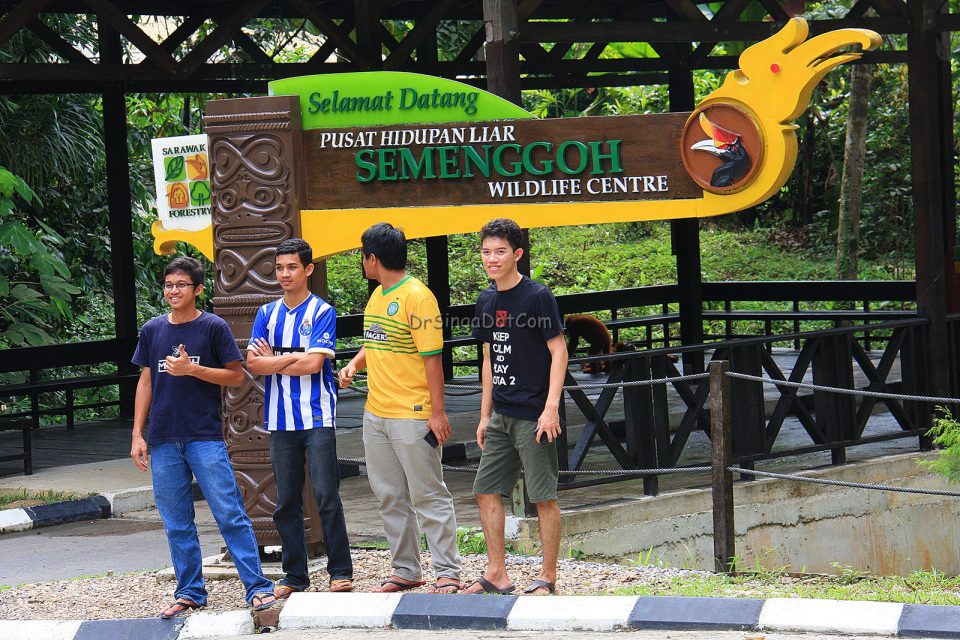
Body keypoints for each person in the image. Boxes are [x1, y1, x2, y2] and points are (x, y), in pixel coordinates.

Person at [130, 256, 278, 618]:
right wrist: (137, 434)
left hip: (204, 437)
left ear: (197, 289)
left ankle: (258, 588)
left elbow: (236, 376)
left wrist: (192, 369)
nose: (173, 291)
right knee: (176, 522)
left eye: (181, 285)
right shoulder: (152, 330)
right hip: (163, 438)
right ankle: (190, 592)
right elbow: (146, 382)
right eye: (168, 285)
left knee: (230, 514)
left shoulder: (213, 326)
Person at [338, 222, 463, 594]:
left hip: (412, 414)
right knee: (389, 495)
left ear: (372, 259)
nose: (362, 262)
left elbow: (432, 359)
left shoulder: (418, 297)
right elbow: (375, 340)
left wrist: (437, 413)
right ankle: (406, 569)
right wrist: (354, 364)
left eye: (363, 256)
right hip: (375, 413)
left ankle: (448, 572)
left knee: (428, 494)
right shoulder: (378, 295)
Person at [464, 218, 568, 596]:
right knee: (485, 490)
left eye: (500, 251)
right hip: (501, 414)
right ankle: (497, 573)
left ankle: (548, 577)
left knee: (542, 497)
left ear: (517, 254)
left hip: (534, 414)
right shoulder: (486, 300)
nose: (492, 259)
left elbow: (559, 351)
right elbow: (489, 358)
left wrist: (551, 408)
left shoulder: (537, 296)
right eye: (486, 252)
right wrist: (484, 415)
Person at [246, 238, 354, 598]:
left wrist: (274, 360)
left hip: (317, 415)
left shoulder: (322, 311)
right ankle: (294, 576)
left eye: (292, 267)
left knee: (326, 494)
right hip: (280, 420)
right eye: (279, 268)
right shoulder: (266, 313)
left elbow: (313, 364)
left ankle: (340, 571)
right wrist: (292, 358)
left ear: (307, 269)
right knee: (286, 500)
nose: (284, 274)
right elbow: (253, 364)